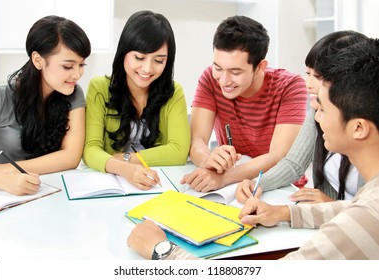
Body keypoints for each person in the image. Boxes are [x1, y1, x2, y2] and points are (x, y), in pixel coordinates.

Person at [127, 37, 379, 260]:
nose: (315, 116)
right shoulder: (368, 205)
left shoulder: (367, 216)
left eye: (322, 108)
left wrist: (162, 251)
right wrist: (284, 213)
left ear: (358, 128)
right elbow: (354, 209)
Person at [236, 31, 367, 204]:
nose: (308, 84)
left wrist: (330, 205)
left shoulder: (366, 125)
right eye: (308, 74)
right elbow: (293, 164)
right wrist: (258, 183)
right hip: (331, 218)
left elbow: (372, 211)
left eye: (318, 77)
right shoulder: (318, 110)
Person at [180, 15, 307, 193]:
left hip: (278, 185)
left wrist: (223, 178)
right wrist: (207, 160)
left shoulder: (290, 86)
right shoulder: (210, 78)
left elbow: (279, 157)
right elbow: (197, 140)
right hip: (230, 184)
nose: (224, 80)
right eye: (218, 68)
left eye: (235, 72)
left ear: (260, 67)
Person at [83, 10, 190, 190]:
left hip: (158, 185)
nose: (147, 68)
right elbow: (90, 150)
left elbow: (179, 151)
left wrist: (129, 159)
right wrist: (124, 169)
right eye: (139, 57)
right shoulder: (99, 88)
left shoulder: (174, 92)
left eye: (159, 60)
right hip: (111, 184)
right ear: (124, 53)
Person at [0, 15, 91, 196]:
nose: (77, 74)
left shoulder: (73, 94)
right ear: (38, 60)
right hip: (2, 196)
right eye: (68, 66)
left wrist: (5, 169)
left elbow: (70, 157)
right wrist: (2, 180)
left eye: (81, 64)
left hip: (49, 194)